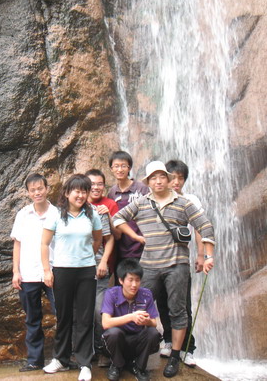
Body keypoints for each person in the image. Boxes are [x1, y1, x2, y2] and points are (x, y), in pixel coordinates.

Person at [112, 161, 216, 378]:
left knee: (178, 310)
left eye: (162, 177)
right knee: (139, 308)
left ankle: (175, 355)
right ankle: (133, 355)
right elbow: (117, 218)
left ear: (168, 179)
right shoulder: (141, 203)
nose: (158, 181)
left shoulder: (184, 203)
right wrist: (135, 236)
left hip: (176, 266)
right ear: (148, 182)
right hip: (149, 266)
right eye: (153, 178)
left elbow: (205, 225)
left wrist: (208, 256)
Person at [41, 174, 103, 381]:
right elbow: (44, 244)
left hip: (86, 271)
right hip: (62, 270)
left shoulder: (92, 214)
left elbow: (98, 239)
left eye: (84, 191)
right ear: (67, 193)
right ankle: (61, 359)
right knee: (64, 316)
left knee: (85, 318)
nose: (81, 195)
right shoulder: (56, 215)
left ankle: (84, 363)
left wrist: (87, 256)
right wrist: (47, 270)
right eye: (77, 191)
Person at [156, 160, 205, 367]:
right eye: (173, 177)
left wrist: (201, 255)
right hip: (158, 260)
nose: (176, 182)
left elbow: (199, 227)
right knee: (162, 302)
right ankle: (168, 339)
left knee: (183, 305)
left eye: (181, 178)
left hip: (180, 262)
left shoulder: (190, 200)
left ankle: (187, 348)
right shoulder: (156, 198)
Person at [11, 173, 59, 372]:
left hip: (53, 272)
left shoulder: (57, 213)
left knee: (62, 314)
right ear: (28, 193)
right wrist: (16, 271)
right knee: (32, 318)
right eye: (33, 190)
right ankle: (34, 360)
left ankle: (62, 357)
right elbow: (17, 243)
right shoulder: (23, 214)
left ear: (47, 189)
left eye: (40, 188)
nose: (37, 192)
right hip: (28, 273)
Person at [102, 259, 161, 381]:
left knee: (153, 333)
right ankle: (117, 365)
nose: (134, 285)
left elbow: (154, 323)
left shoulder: (146, 295)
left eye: (137, 280)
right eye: (130, 280)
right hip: (118, 341)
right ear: (121, 280)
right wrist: (131, 317)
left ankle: (139, 367)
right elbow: (105, 323)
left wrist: (146, 321)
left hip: (137, 339)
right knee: (113, 333)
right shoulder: (111, 294)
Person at [85, 169, 118, 367]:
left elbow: (113, 237)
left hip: (100, 267)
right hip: (79, 267)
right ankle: (85, 351)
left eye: (100, 184)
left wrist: (104, 261)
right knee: (83, 312)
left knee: (100, 310)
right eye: (92, 184)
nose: (96, 187)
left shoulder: (105, 208)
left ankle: (102, 349)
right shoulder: (74, 207)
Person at [107, 151, 149, 274]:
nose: (120, 169)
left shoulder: (141, 188)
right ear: (111, 169)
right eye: (116, 166)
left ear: (129, 168)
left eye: (123, 166)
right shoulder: (112, 193)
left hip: (142, 245)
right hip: (122, 248)